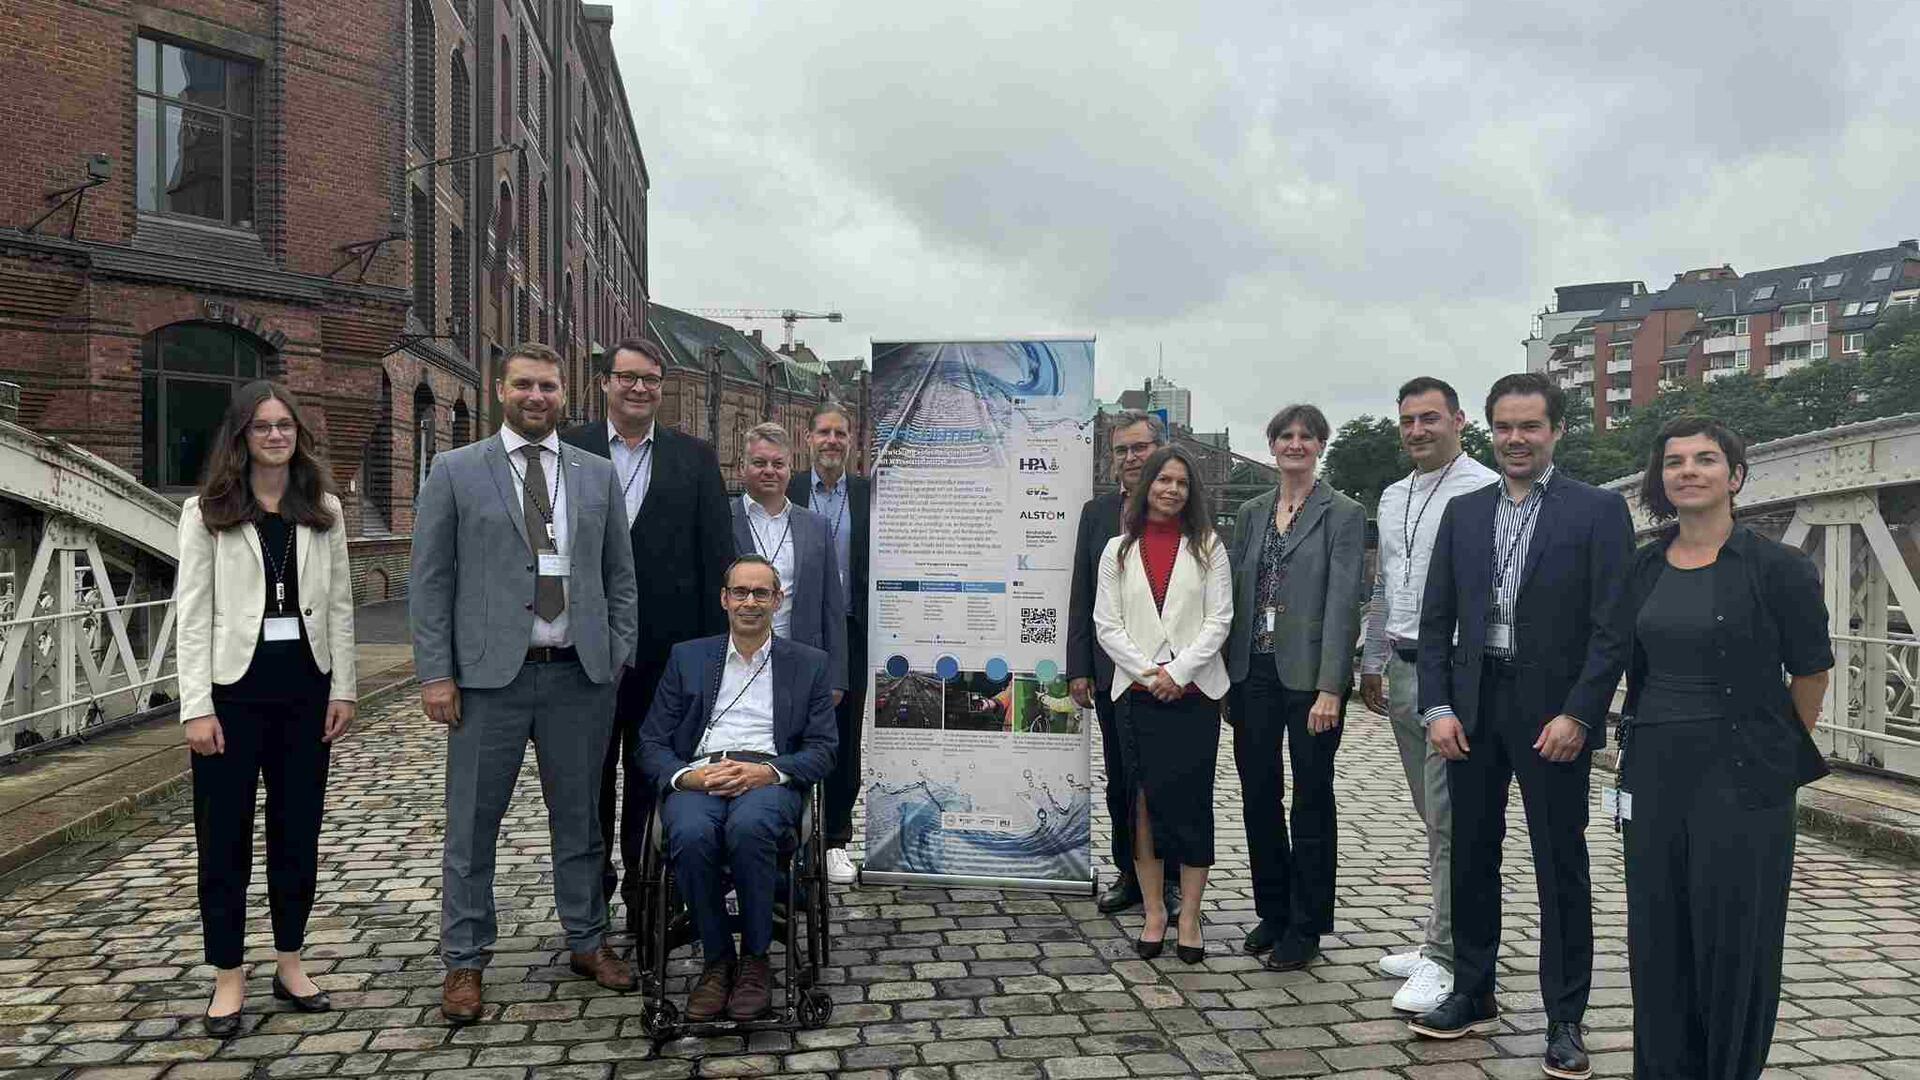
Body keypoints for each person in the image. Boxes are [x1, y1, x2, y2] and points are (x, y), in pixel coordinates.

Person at [1409, 372, 1634, 1080]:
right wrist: (1438, 707)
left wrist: (1580, 713)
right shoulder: (1465, 513)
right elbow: (1435, 621)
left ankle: (1565, 1019)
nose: (1516, 439)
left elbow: (1612, 629)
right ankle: (1473, 992)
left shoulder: (1597, 512)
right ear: (1489, 430)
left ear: (1556, 431)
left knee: (1559, 867)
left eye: (1530, 426)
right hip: (1473, 710)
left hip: (1553, 716)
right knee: (1471, 855)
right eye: (1504, 426)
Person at [410, 342, 641, 1024]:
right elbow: (431, 582)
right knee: (472, 828)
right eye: (524, 385)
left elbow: (618, 575)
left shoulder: (595, 475)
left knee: (580, 823)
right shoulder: (456, 471)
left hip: (578, 678)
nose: (536, 397)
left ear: (565, 393)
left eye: (548, 386)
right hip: (489, 684)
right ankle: (465, 960)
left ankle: (587, 940)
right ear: (500, 389)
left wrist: (616, 652)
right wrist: (436, 674)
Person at [1615, 417, 1831, 1080]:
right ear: (1662, 480)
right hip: (1653, 773)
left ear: (1734, 477)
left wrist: (1772, 749)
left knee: (1736, 941)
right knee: (1658, 938)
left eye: (1706, 459)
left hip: (1742, 778)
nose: (1688, 470)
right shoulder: (1643, 565)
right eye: (1675, 461)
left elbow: (1812, 671)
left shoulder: (1779, 567)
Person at [174, 381, 357, 1036]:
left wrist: (344, 689)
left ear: (298, 435)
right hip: (231, 698)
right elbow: (192, 617)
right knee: (222, 842)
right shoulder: (207, 512)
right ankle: (227, 974)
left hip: (306, 696)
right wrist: (195, 707)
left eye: (285, 426)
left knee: (296, 833)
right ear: (241, 436)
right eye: (262, 426)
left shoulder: (323, 509)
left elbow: (339, 607)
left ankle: (289, 960)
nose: (276, 436)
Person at [560, 338, 734, 931]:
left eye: (652, 380)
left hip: (668, 657)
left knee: (653, 778)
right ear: (604, 382)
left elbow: (718, 561)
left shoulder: (695, 458)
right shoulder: (567, 450)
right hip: (581, 653)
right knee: (584, 785)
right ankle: (589, 905)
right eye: (628, 377)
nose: (640, 389)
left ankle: (647, 898)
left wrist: (716, 659)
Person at [639, 555, 838, 1023]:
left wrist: (769, 774)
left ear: (777, 600)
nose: (750, 602)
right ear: (725, 599)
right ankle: (716, 961)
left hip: (768, 775)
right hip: (701, 774)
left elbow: (824, 749)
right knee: (688, 833)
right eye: (741, 593)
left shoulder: (807, 664)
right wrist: (688, 777)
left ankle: (754, 961)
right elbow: (650, 742)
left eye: (761, 593)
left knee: (750, 828)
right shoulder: (687, 657)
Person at [1357, 378, 1498, 1012]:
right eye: (1408, 420)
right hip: (1404, 663)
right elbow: (1386, 580)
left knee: (1449, 817)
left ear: (1460, 421)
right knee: (1430, 816)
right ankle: (1441, 935)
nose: (1418, 430)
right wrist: (1372, 659)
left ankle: (1446, 955)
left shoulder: (1487, 490)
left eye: (1430, 418)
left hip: (1453, 672)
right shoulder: (1391, 495)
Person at [1224, 404, 1366, 973]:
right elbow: (1234, 590)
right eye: (1286, 435)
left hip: (1310, 680)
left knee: (1311, 799)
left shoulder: (1344, 513)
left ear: (1321, 446)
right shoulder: (1253, 511)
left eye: (1307, 437)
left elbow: (1343, 603)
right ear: (1272, 444)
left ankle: (1307, 925)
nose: (1296, 444)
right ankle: (1273, 910)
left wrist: (1332, 687)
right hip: (1252, 671)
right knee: (1258, 795)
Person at [1093, 446, 1232, 964]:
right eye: (1163, 480)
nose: (1172, 490)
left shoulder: (1209, 546)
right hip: (1137, 694)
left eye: (1182, 482)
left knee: (1192, 804)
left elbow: (1220, 618)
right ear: (1146, 484)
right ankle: (1155, 911)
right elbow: (1107, 625)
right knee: (1143, 805)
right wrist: (1151, 674)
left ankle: (1189, 916)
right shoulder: (1117, 549)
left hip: (1194, 696)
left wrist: (1179, 672)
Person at [1068, 409, 1180, 916]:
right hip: (1113, 672)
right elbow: (1080, 594)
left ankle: (1171, 878)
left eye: (1140, 448)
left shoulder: (1182, 510)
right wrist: (1078, 666)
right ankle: (1128, 873)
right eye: (1122, 450)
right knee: (1120, 778)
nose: (1131, 458)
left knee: (1168, 779)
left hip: (1169, 675)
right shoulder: (1095, 514)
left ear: (1159, 448)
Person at [786, 402, 870, 886]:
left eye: (841, 432)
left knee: (844, 739)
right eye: (824, 432)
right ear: (808, 437)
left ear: (851, 440)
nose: (832, 441)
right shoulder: (791, 489)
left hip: (852, 631)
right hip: (798, 631)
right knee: (793, 735)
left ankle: (836, 838)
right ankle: (793, 838)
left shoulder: (865, 494)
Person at [731, 423, 847, 697]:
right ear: (742, 467)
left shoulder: (817, 527)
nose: (769, 470)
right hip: (736, 663)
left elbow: (832, 607)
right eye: (759, 462)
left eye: (778, 463)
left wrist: (837, 678)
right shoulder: (722, 520)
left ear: (789, 469)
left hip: (802, 663)